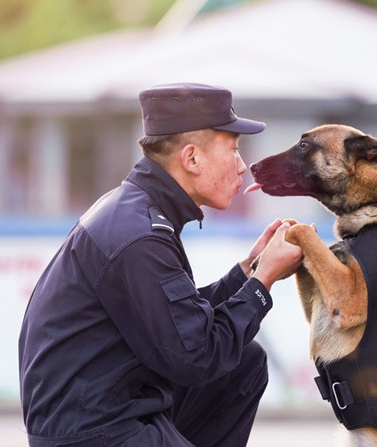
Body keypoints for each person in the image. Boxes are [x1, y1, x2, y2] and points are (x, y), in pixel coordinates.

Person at [18, 82, 303, 447]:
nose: (243, 166)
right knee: (227, 358)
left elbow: (177, 325)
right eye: (232, 149)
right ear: (191, 159)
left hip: (111, 407)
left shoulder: (136, 210)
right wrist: (263, 282)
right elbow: (196, 357)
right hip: (92, 432)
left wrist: (247, 271)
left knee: (244, 363)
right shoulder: (140, 236)